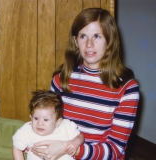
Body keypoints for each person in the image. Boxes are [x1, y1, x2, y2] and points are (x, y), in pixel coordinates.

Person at [31, 8, 140, 160]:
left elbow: (115, 150)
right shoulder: (60, 80)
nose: (89, 44)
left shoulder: (127, 89)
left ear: (109, 40)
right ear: (75, 41)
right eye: (83, 36)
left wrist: (72, 150)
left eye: (97, 36)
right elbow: (51, 127)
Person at [12, 90, 84, 160]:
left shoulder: (65, 126)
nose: (40, 123)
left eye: (46, 120)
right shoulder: (27, 129)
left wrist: (75, 143)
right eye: (36, 118)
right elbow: (16, 147)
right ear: (31, 117)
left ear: (57, 122)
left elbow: (80, 136)